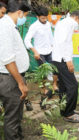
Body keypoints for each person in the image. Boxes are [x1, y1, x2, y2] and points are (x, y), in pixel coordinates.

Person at [0, 1, 31, 140]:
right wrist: (20, 82)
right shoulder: (5, 27)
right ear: (19, 13)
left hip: (14, 77)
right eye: (25, 15)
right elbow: (7, 59)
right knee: (12, 118)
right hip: (11, 79)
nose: (24, 18)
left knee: (17, 114)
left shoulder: (10, 26)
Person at [52, 11, 79, 123]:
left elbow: (64, 43)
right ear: (75, 18)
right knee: (73, 86)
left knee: (64, 86)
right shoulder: (69, 23)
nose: (78, 26)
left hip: (58, 59)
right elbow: (63, 44)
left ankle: (64, 109)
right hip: (62, 60)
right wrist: (68, 61)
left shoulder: (63, 23)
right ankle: (69, 113)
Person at [24, 6, 58, 101]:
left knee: (55, 69)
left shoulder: (47, 24)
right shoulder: (34, 26)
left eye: (46, 17)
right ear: (37, 17)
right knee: (43, 73)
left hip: (50, 51)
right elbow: (27, 40)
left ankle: (55, 85)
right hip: (40, 53)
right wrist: (35, 51)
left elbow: (50, 37)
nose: (44, 19)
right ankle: (44, 90)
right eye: (42, 18)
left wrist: (54, 47)